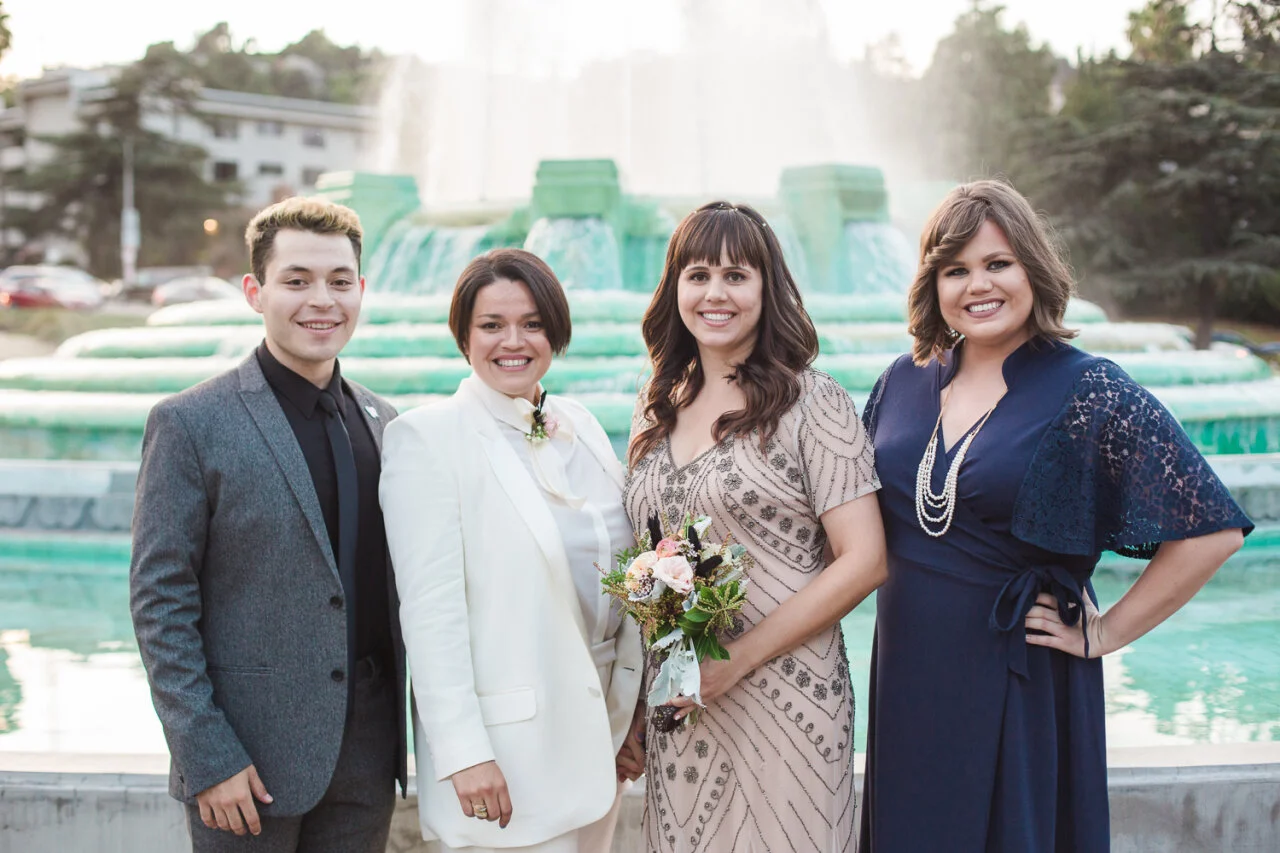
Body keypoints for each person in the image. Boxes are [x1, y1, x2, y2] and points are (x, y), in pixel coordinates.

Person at [858, 180, 1252, 852]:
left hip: (1020, 676)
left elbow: (1210, 530)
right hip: (909, 677)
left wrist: (1106, 632)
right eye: (956, 270)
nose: (978, 285)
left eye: (997, 263)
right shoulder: (902, 379)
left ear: (1033, 269)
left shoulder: (1088, 388)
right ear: (933, 284)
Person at [130, 196, 408, 852]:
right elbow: (160, 601)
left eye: (339, 281)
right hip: (245, 763)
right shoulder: (190, 423)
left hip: (368, 755)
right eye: (297, 280)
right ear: (255, 292)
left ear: (361, 289)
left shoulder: (387, 423)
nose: (322, 300)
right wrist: (207, 755)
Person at [622, 201, 888, 853]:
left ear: (768, 290)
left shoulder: (813, 401)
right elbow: (647, 568)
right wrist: (635, 701)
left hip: (786, 698)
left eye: (736, 275)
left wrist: (733, 662)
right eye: (698, 275)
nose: (715, 293)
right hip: (682, 703)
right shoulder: (655, 405)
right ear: (675, 288)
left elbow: (865, 559)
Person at [379, 249, 644, 853]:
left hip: (602, 745)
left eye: (532, 323)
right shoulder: (427, 438)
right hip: (508, 762)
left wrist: (633, 714)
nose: (513, 342)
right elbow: (430, 612)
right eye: (491, 325)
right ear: (464, 336)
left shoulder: (581, 424)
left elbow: (628, 578)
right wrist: (463, 753)